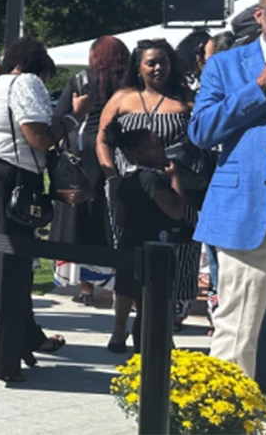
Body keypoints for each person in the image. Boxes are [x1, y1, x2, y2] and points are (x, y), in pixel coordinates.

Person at [190, 0, 266, 403]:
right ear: (260, 16)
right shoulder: (226, 65)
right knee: (237, 335)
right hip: (251, 215)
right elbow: (201, 130)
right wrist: (262, 83)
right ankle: (227, 423)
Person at [0, 36, 66, 383]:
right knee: (12, 271)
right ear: (38, 65)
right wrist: (70, 120)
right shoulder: (27, 83)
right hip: (13, 177)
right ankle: (5, 361)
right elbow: (37, 137)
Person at [97, 38, 201, 326]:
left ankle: (167, 320)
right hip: (129, 189)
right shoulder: (122, 98)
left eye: (163, 62)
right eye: (151, 62)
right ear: (138, 66)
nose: (158, 68)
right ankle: (120, 327)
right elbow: (103, 140)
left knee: (178, 255)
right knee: (129, 259)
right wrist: (110, 176)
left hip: (174, 187)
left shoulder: (186, 99)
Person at [49, 35, 128, 306]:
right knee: (111, 220)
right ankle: (120, 286)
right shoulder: (128, 82)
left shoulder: (82, 79)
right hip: (116, 151)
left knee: (79, 220)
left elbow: (58, 116)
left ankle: (85, 287)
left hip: (79, 152)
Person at [101, 119, 189, 353]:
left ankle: (118, 333)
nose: (163, 150)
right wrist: (175, 179)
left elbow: (120, 218)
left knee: (126, 288)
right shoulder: (151, 179)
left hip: (129, 241)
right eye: (157, 146)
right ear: (139, 152)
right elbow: (175, 211)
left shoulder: (125, 179)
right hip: (154, 244)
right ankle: (155, 340)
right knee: (153, 295)